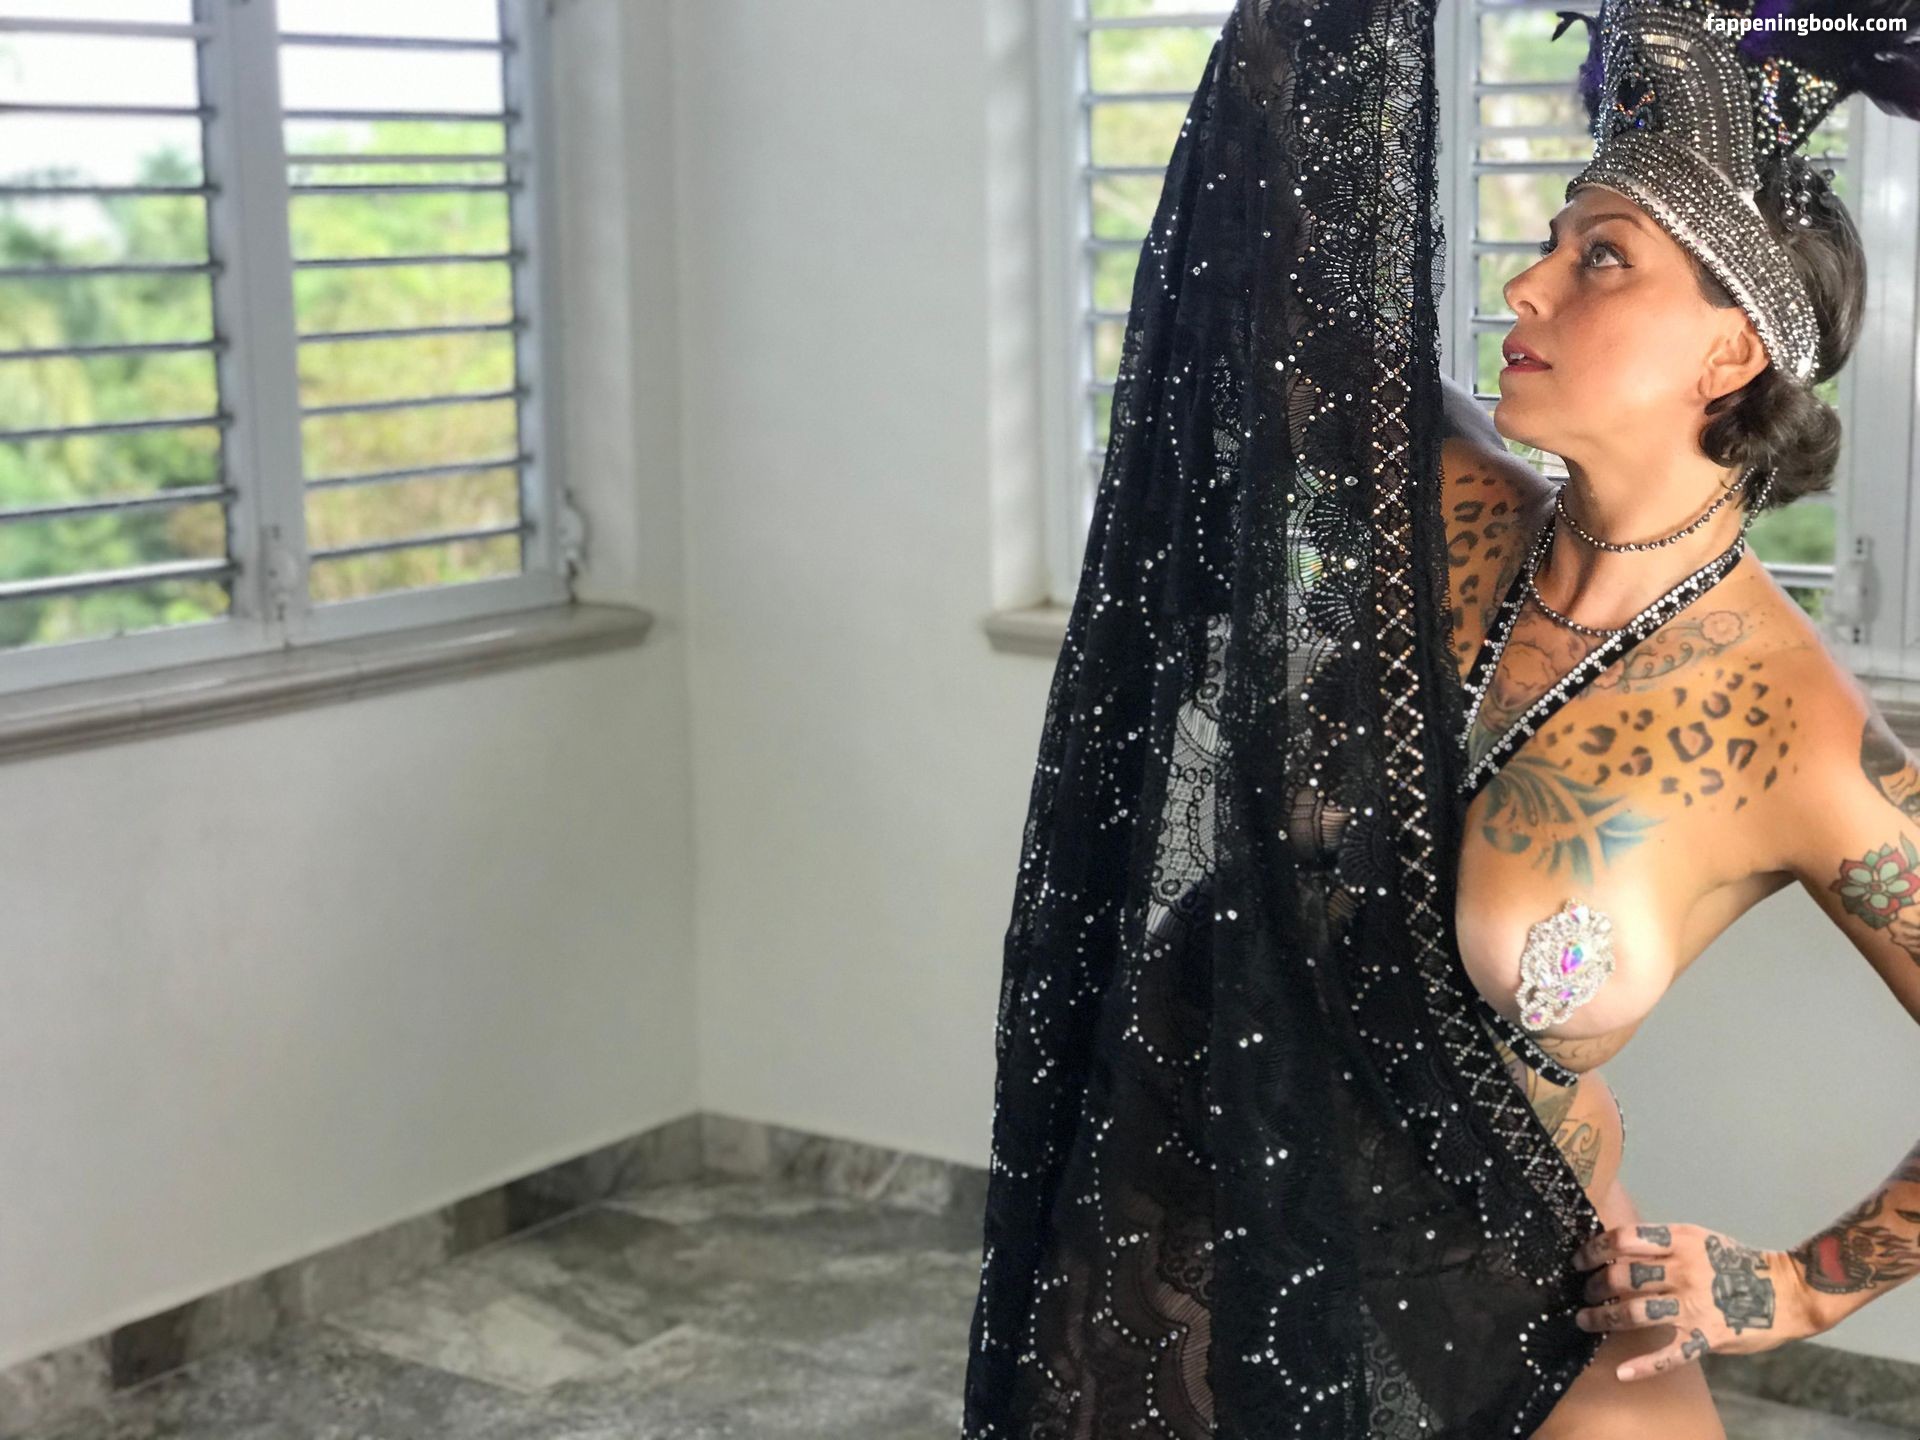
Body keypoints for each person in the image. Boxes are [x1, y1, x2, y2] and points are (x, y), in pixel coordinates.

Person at [962, 2, 1920, 1436]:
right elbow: (1269, 202)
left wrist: (1799, 1288)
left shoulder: (1797, 734)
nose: (1526, 286)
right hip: (1178, 1218)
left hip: (1482, 1313)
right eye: (1549, 241)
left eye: (1601, 256)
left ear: (1729, 352)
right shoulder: (1441, 500)